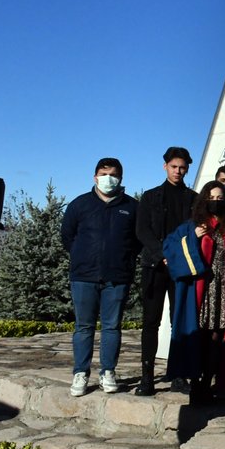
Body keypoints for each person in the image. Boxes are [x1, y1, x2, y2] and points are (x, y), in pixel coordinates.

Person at [60, 157, 140, 397]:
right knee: (83, 327)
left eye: (113, 174)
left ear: (121, 178)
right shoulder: (80, 205)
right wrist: (82, 256)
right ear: (95, 177)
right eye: (104, 174)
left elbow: (137, 241)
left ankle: (108, 372)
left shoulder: (132, 207)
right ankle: (81, 373)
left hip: (117, 277)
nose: (108, 179)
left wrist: (123, 259)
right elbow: (67, 235)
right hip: (84, 276)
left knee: (112, 327)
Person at [163, 182, 225, 406]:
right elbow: (169, 247)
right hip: (198, 292)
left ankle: (209, 382)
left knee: (217, 338)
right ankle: (196, 384)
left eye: (220, 198)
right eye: (211, 197)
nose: (216, 201)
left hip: (221, 290)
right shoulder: (192, 226)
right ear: (203, 200)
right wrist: (194, 238)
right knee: (197, 337)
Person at [134, 146, 198, 396]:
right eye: (174, 167)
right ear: (165, 166)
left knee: (179, 322)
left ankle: (179, 375)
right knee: (150, 322)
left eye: (182, 168)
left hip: (180, 269)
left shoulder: (193, 199)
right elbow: (142, 230)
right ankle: (147, 376)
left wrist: (177, 258)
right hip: (154, 266)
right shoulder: (150, 197)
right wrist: (162, 255)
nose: (178, 171)